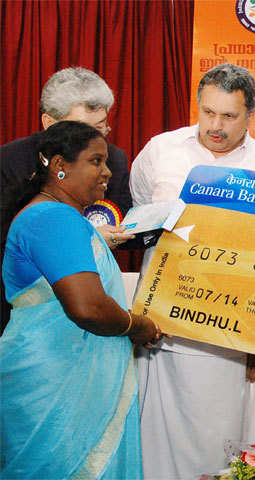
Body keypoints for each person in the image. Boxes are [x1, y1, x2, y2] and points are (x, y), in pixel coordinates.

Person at [130, 63, 255, 478]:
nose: (215, 126)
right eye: (207, 113)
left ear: (251, 115)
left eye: (229, 116)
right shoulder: (161, 150)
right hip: (158, 324)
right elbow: (142, 208)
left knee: (218, 432)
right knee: (153, 433)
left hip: (226, 328)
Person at [0, 121, 160, 478]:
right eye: (96, 161)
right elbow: (87, 307)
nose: (107, 173)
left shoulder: (56, 216)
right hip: (56, 381)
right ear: (60, 165)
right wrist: (138, 326)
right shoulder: (54, 218)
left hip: (56, 373)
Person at [0, 67, 134, 334]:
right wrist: (83, 240)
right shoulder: (9, 161)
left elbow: (124, 220)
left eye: (101, 128)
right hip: (24, 308)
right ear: (49, 122)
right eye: (82, 130)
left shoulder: (114, 160)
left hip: (94, 303)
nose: (95, 142)